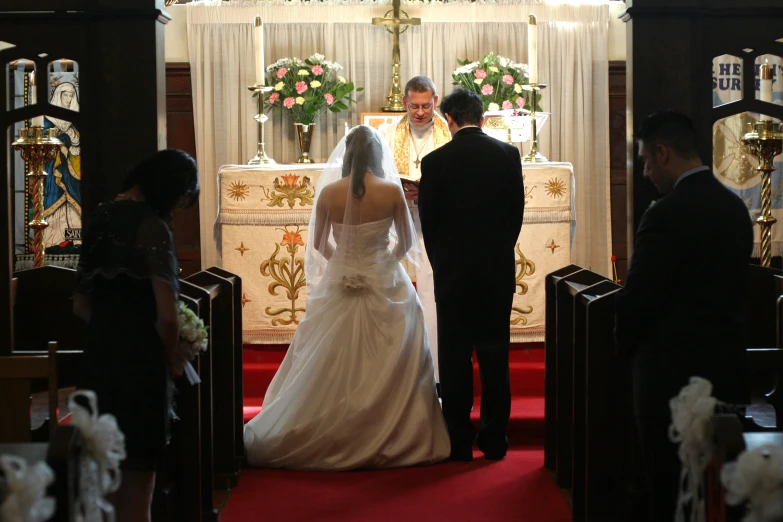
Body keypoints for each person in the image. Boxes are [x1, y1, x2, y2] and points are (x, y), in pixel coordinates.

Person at [243, 125, 450, 470]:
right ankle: (394, 432)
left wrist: (343, 262)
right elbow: (408, 242)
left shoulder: (329, 193)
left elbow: (318, 244)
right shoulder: (390, 191)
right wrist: (382, 261)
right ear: (377, 156)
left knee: (328, 353)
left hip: (341, 275)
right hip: (384, 276)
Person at [614, 110, 753, 522]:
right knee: (720, 494)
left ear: (663, 152)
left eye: (645, 161)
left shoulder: (664, 214)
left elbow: (638, 298)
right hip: (726, 370)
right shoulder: (733, 209)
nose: (644, 172)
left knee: (669, 492)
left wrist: (622, 353)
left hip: (667, 381)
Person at [72, 149, 200, 522]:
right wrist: (175, 357)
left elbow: (79, 305)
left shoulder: (101, 215)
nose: (177, 209)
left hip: (99, 356)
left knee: (104, 475)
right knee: (139, 480)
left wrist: (110, 330)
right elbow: (167, 314)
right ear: (169, 190)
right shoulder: (152, 227)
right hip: (140, 361)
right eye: (180, 200)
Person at [418, 88, 524, 461]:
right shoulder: (508, 154)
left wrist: (444, 263)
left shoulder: (434, 162)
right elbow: (516, 216)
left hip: (453, 275)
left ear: (449, 120)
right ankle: (494, 440)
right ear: (482, 119)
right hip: (495, 273)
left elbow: (428, 225)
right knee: (495, 357)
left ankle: (459, 442)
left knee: (455, 358)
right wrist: (495, 255)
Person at [382, 75, 451, 385]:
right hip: (397, 216)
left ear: (435, 101)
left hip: (435, 219)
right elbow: (378, 174)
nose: (420, 112)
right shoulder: (386, 134)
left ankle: (433, 367)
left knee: (430, 287)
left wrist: (429, 192)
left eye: (426, 106)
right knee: (389, 284)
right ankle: (395, 367)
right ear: (405, 103)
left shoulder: (449, 133)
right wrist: (400, 189)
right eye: (414, 106)